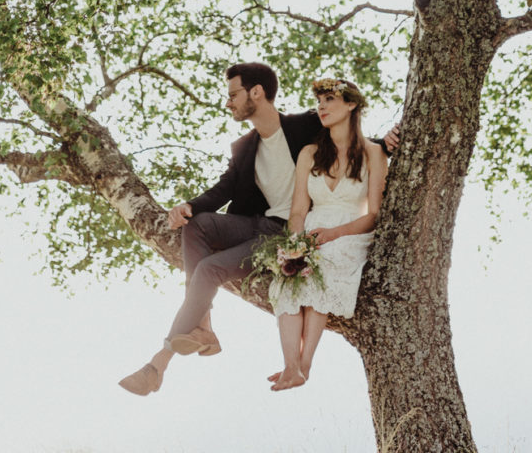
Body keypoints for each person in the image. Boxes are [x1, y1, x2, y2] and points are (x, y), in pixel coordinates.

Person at [118, 62, 399, 396]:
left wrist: (388, 142)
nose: (229, 102)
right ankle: (202, 324)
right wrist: (188, 206)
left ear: (257, 92)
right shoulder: (243, 148)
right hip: (257, 222)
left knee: (209, 269)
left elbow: (350, 141)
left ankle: (159, 363)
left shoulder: (308, 124)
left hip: (287, 233)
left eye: (234, 94)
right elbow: (221, 190)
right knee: (197, 224)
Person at [267, 77, 387, 391]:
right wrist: (295, 242)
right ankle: (290, 365)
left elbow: (373, 215)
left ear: (352, 104)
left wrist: (333, 234)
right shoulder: (309, 153)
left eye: (329, 99)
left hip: (349, 232)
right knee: (290, 274)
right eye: (319, 101)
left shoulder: (374, 153)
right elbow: (297, 209)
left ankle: (305, 366)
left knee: (324, 264)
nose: (321, 106)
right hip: (311, 229)